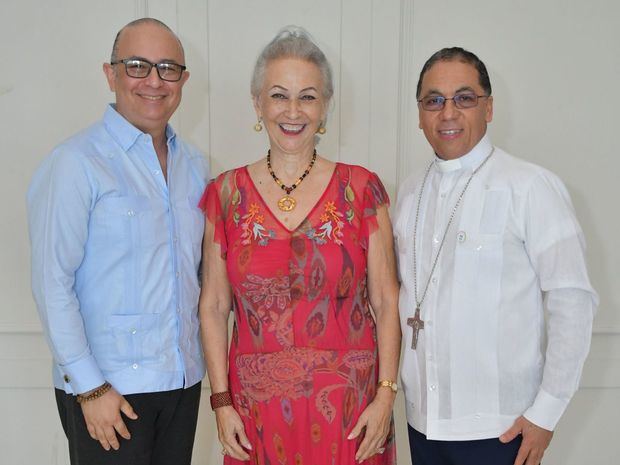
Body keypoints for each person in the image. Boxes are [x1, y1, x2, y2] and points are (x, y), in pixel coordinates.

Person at [199, 26, 401, 465]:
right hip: (256, 414)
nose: (293, 110)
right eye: (278, 95)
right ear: (257, 102)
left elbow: (386, 301)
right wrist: (221, 402)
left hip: (351, 411)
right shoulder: (227, 194)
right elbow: (214, 305)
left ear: (325, 105)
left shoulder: (361, 189)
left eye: (307, 96)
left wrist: (385, 397)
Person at [394, 47, 598, 465]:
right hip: (422, 424)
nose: (448, 112)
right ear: (419, 115)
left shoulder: (530, 186)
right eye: (434, 100)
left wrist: (546, 413)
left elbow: (572, 300)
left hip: (503, 429)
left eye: (464, 98)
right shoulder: (408, 193)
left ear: (488, 108)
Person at [27, 18, 208, 465]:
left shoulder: (197, 167)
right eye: (136, 66)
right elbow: (51, 281)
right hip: (109, 393)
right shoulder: (75, 163)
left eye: (168, 68)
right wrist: (90, 387)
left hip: (182, 385)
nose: (153, 80)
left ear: (183, 80)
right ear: (110, 74)